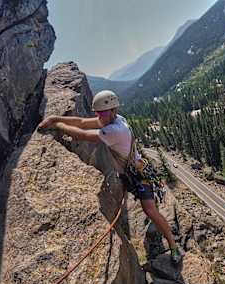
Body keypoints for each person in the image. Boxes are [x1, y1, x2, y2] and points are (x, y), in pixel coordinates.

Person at [38, 90, 182, 264]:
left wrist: (58, 125)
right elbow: (82, 122)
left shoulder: (114, 130)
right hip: (131, 171)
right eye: (98, 113)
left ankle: (174, 247)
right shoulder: (117, 119)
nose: (100, 117)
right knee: (137, 205)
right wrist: (54, 118)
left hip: (136, 175)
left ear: (113, 111)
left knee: (150, 211)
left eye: (103, 113)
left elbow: (82, 134)